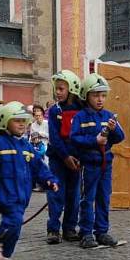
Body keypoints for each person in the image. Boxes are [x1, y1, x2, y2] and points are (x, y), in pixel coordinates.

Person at [0, 101, 58, 260]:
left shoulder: (26, 145)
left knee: (15, 226)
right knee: (14, 220)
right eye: (17, 120)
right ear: (5, 122)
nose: (22, 124)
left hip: (23, 194)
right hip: (5, 192)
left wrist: (50, 180)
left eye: (24, 121)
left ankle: (4, 252)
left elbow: (39, 166)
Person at [71, 74, 125, 249]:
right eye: (95, 95)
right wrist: (94, 140)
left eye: (103, 95)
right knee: (88, 198)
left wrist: (113, 129)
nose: (100, 99)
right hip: (89, 164)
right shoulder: (80, 117)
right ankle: (86, 233)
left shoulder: (109, 115)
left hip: (105, 164)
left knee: (104, 197)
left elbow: (120, 137)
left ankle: (101, 231)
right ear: (86, 95)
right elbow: (75, 138)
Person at [45, 70, 83, 244]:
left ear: (72, 89)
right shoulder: (54, 111)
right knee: (56, 194)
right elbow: (54, 137)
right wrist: (66, 157)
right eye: (56, 89)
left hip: (76, 160)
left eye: (61, 89)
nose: (58, 92)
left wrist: (78, 157)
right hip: (58, 159)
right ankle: (53, 229)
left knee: (74, 195)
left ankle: (69, 228)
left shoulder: (81, 110)